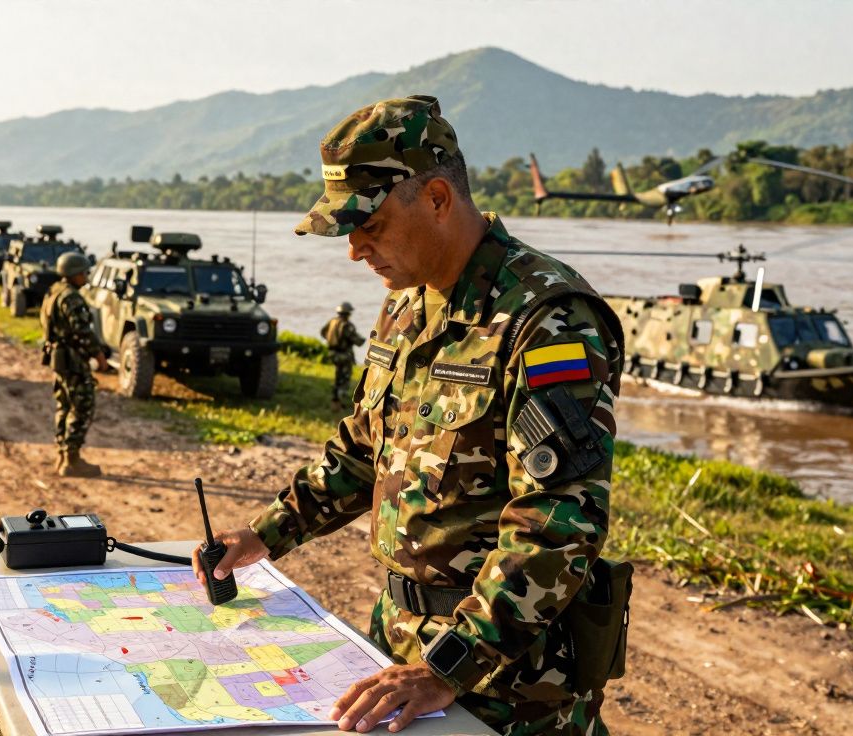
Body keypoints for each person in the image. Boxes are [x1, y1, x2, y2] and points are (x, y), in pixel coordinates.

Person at [193, 95, 626, 736]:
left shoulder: (546, 319)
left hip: (509, 684)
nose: (355, 251)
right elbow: (365, 450)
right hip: (398, 647)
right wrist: (264, 534)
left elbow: (558, 521)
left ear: (437, 199)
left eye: (368, 226)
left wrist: (448, 668)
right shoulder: (406, 306)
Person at [39, 252, 108, 477]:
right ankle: (72, 459)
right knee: (82, 406)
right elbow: (82, 331)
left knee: (64, 405)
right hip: (73, 360)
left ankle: (62, 454)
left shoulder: (54, 291)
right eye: (83, 272)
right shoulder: (72, 298)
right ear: (73, 273)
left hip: (59, 358)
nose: (86, 276)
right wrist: (98, 354)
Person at [321, 301, 365, 410]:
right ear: (348, 313)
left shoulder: (332, 321)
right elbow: (358, 341)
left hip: (333, 353)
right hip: (344, 355)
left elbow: (323, 332)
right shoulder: (347, 325)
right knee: (344, 378)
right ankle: (339, 402)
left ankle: (335, 400)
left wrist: (331, 339)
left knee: (337, 376)